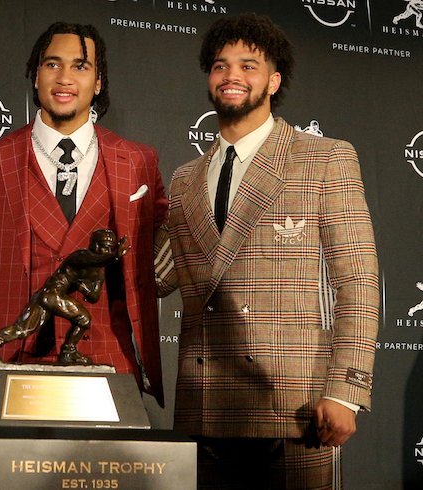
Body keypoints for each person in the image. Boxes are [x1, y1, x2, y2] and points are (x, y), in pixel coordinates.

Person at [155, 12, 379, 488]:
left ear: (274, 81)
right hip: (203, 404)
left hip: (294, 408)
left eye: (248, 65)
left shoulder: (324, 158)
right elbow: (155, 277)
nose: (232, 75)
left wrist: (346, 390)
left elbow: (357, 281)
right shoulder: (184, 178)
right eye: (220, 65)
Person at [0, 22, 168, 405]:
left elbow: (158, 252)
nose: (65, 78)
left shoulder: (139, 161)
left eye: (80, 66)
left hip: (109, 364)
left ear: (99, 81)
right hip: (12, 363)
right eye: (52, 64)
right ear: (35, 74)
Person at [0, 229, 127, 364]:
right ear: (94, 245)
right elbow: (94, 260)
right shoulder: (81, 256)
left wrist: (82, 288)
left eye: (110, 248)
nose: (107, 251)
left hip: (48, 297)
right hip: (51, 294)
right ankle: (68, 352)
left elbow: (94, 297)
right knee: (82, 318)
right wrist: (114, 257)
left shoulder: (99, 271)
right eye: (104, 247)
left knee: (25, 328)